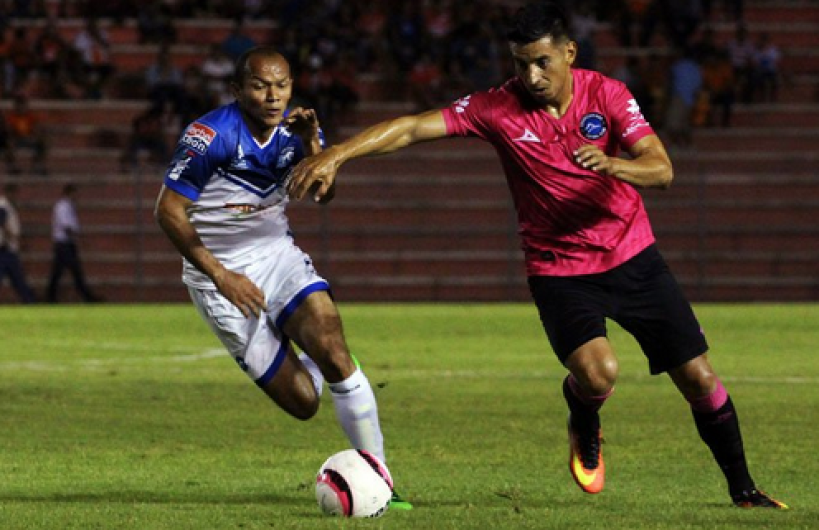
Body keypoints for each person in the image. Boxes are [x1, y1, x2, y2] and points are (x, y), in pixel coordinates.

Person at [287, 2, 787, 510]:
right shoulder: (497, 107)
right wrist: (336, 153)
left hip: (634, 257)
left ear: (568, 53)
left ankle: (744, 491)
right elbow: (415, 127)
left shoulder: (608, 95)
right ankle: (584, 412)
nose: (531, 75)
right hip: (560, 271)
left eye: (542, 62)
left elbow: (662, 169)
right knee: (599, 372)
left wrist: (613, 165)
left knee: (699, 377)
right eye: (520, 63)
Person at [153, 46, 411, 510]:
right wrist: (221, 275)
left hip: (277, 255)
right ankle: (304, 362)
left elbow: (323, 196)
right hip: (218, 275)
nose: (273, 96)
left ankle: (382, 486)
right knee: (304, 401)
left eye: (282, 85)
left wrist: (315, 145)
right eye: (259, 85)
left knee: (333, 345)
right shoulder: (209, 135)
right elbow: (167, 210)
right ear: (237, 90)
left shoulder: (297, 130)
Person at [47, 183, 100, 303]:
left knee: (58, 273)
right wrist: (79, 238)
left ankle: (50, 297)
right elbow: (67, 226)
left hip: (65, 244)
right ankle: (87, 296)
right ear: (70, 193)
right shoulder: (62, 207)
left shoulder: (67, 206)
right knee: (75, 272)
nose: (77, 196)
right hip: (64, 244)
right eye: (75, 193)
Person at [0, 183, 37, 303]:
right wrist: (12, 238)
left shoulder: (7, 206)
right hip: (5, 249)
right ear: (10, 192)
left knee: (18, 279)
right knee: (17, 279)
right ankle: (29, 300)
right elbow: (2, 223)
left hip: (8, 249)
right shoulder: (3, 205)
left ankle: (29, 300)